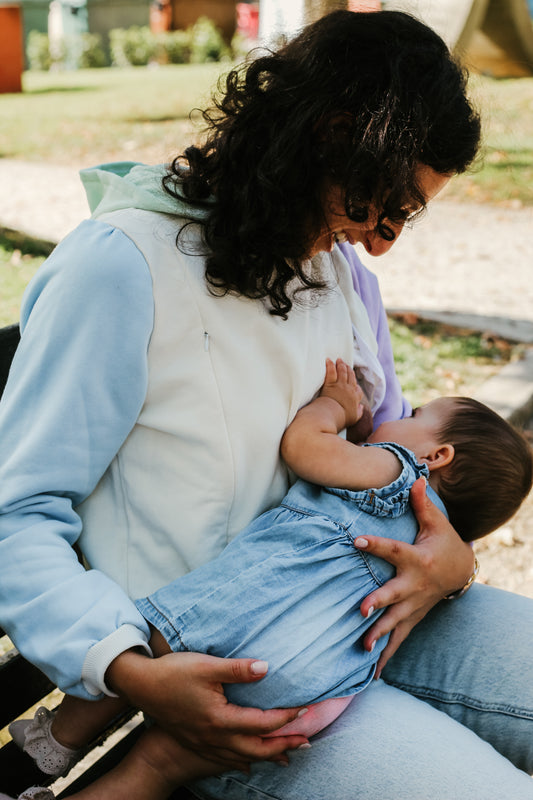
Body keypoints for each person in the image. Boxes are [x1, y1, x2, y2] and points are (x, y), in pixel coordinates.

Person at [1, 9, 533, 799]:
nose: (380, 241)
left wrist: (448, 561)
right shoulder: (121, 269)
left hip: (375, 616)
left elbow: (396, 445)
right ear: (323, 135)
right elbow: (17, 512)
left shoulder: (340, 276)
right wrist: (129, 673)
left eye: (404, 218)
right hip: (229, 667)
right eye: (377, 206)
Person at [8, 358, 533, 800]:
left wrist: (333, 407)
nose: (401, 415)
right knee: (155, 770)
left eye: (416, 414)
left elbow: (304, 450)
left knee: (149, 640)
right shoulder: (435, 538)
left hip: (238, 627)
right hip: (299, 700)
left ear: (436, 457)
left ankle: (50, 747)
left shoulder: (397, 471)